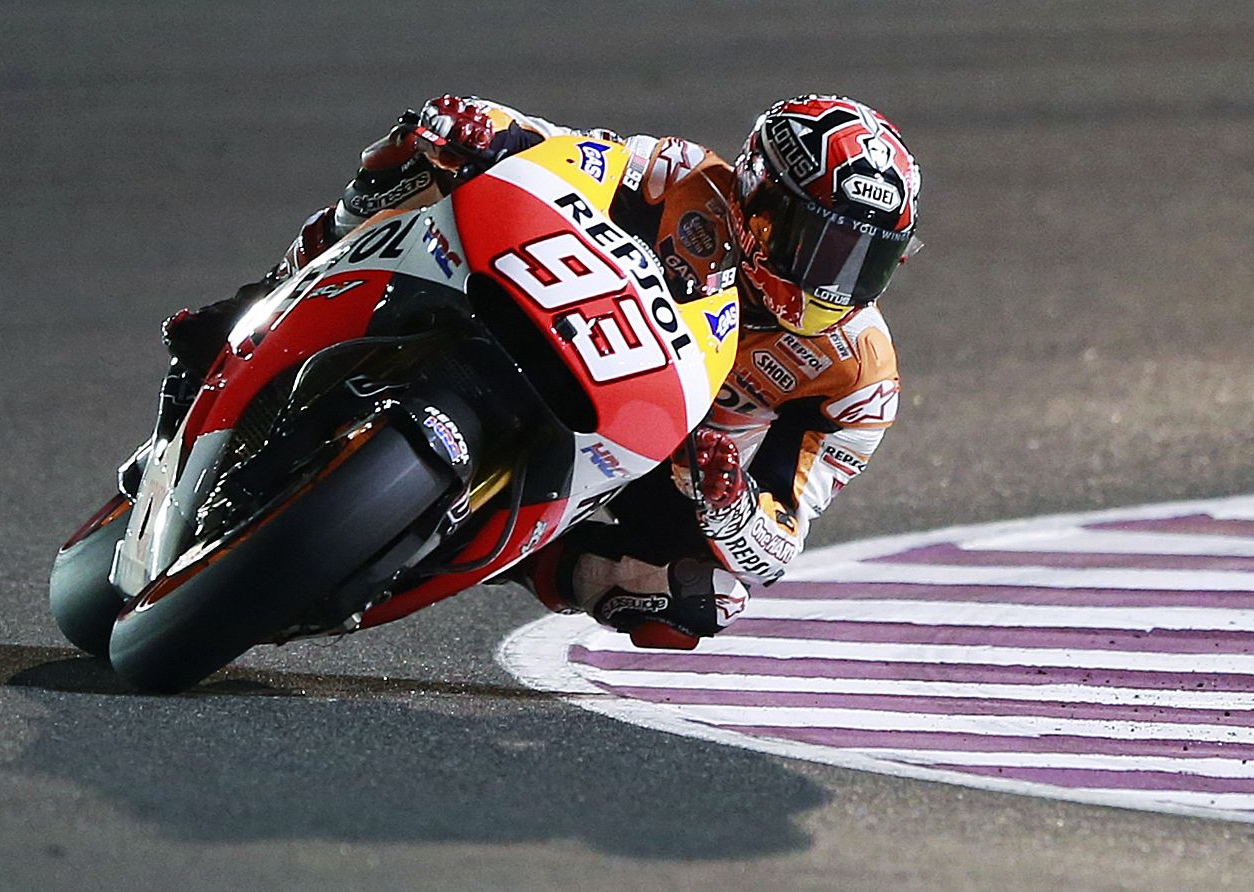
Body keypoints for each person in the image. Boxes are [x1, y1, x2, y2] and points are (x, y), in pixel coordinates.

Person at [149, 94, 921, 650]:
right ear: (758, 197)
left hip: (651, 455)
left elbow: (779, 547)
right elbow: (568, 152)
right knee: (416, 151)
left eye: (864, 262)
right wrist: (489, 132)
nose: (831, 282)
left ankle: (516, 559)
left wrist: (726, 504)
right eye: (816, 244)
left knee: (695, 602)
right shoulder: (686, 180)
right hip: (551, 315)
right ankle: (258, 303)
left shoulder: (857, 377)